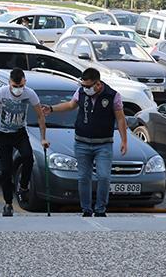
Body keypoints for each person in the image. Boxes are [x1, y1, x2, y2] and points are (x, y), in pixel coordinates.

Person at [42, 67, 128, 217]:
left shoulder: (113, 95)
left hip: (104, 143)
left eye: (88, 86)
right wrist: (51, 108)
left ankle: (100, 208)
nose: (85, 89)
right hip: (81, 142)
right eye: (83, 85)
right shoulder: (81, 92)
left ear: (98, 84)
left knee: (103, 176)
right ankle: (86, 209)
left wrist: (124, 141)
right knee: (83, 177)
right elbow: (70, 105)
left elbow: (120, 119)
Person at [0, 68, 48, 217]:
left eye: (21, 86)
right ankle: (8, 203)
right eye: (15, 86)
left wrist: (43, 137)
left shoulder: (30, 93)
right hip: (3, 134)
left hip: (20, 132)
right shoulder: (1, 93)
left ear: (24, 82)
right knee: (5, 170)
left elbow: (40, 116)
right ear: (9, 83)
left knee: (28, 157)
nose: (18, 89)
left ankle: (23, 186)